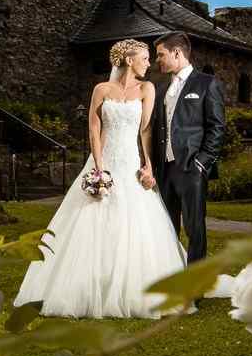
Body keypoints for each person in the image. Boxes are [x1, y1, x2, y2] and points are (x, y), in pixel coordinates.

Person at [13, 39, 187, 319]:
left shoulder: (147, 88)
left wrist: (149, 167)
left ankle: (131, 286)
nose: (149, 62)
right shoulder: (101, 89)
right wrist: (98, 167)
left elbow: (145, 132)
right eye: (144, 57)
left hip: (130, 162)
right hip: (105, 160)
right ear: (129, 60)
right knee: (92, 220)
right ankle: (86, 286)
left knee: (134, 224)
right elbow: (94, 130)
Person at [149, 31, 225, 264]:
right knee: (166, 226)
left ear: (177, 52)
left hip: (192, 167)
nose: (157, 60)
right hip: (164, 169)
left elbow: (217, 127)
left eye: (161, 55)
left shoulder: (206, 83)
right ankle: (170, 275)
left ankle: (195, 285)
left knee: (194, 227)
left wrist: (202, 163)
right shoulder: (160, 88)